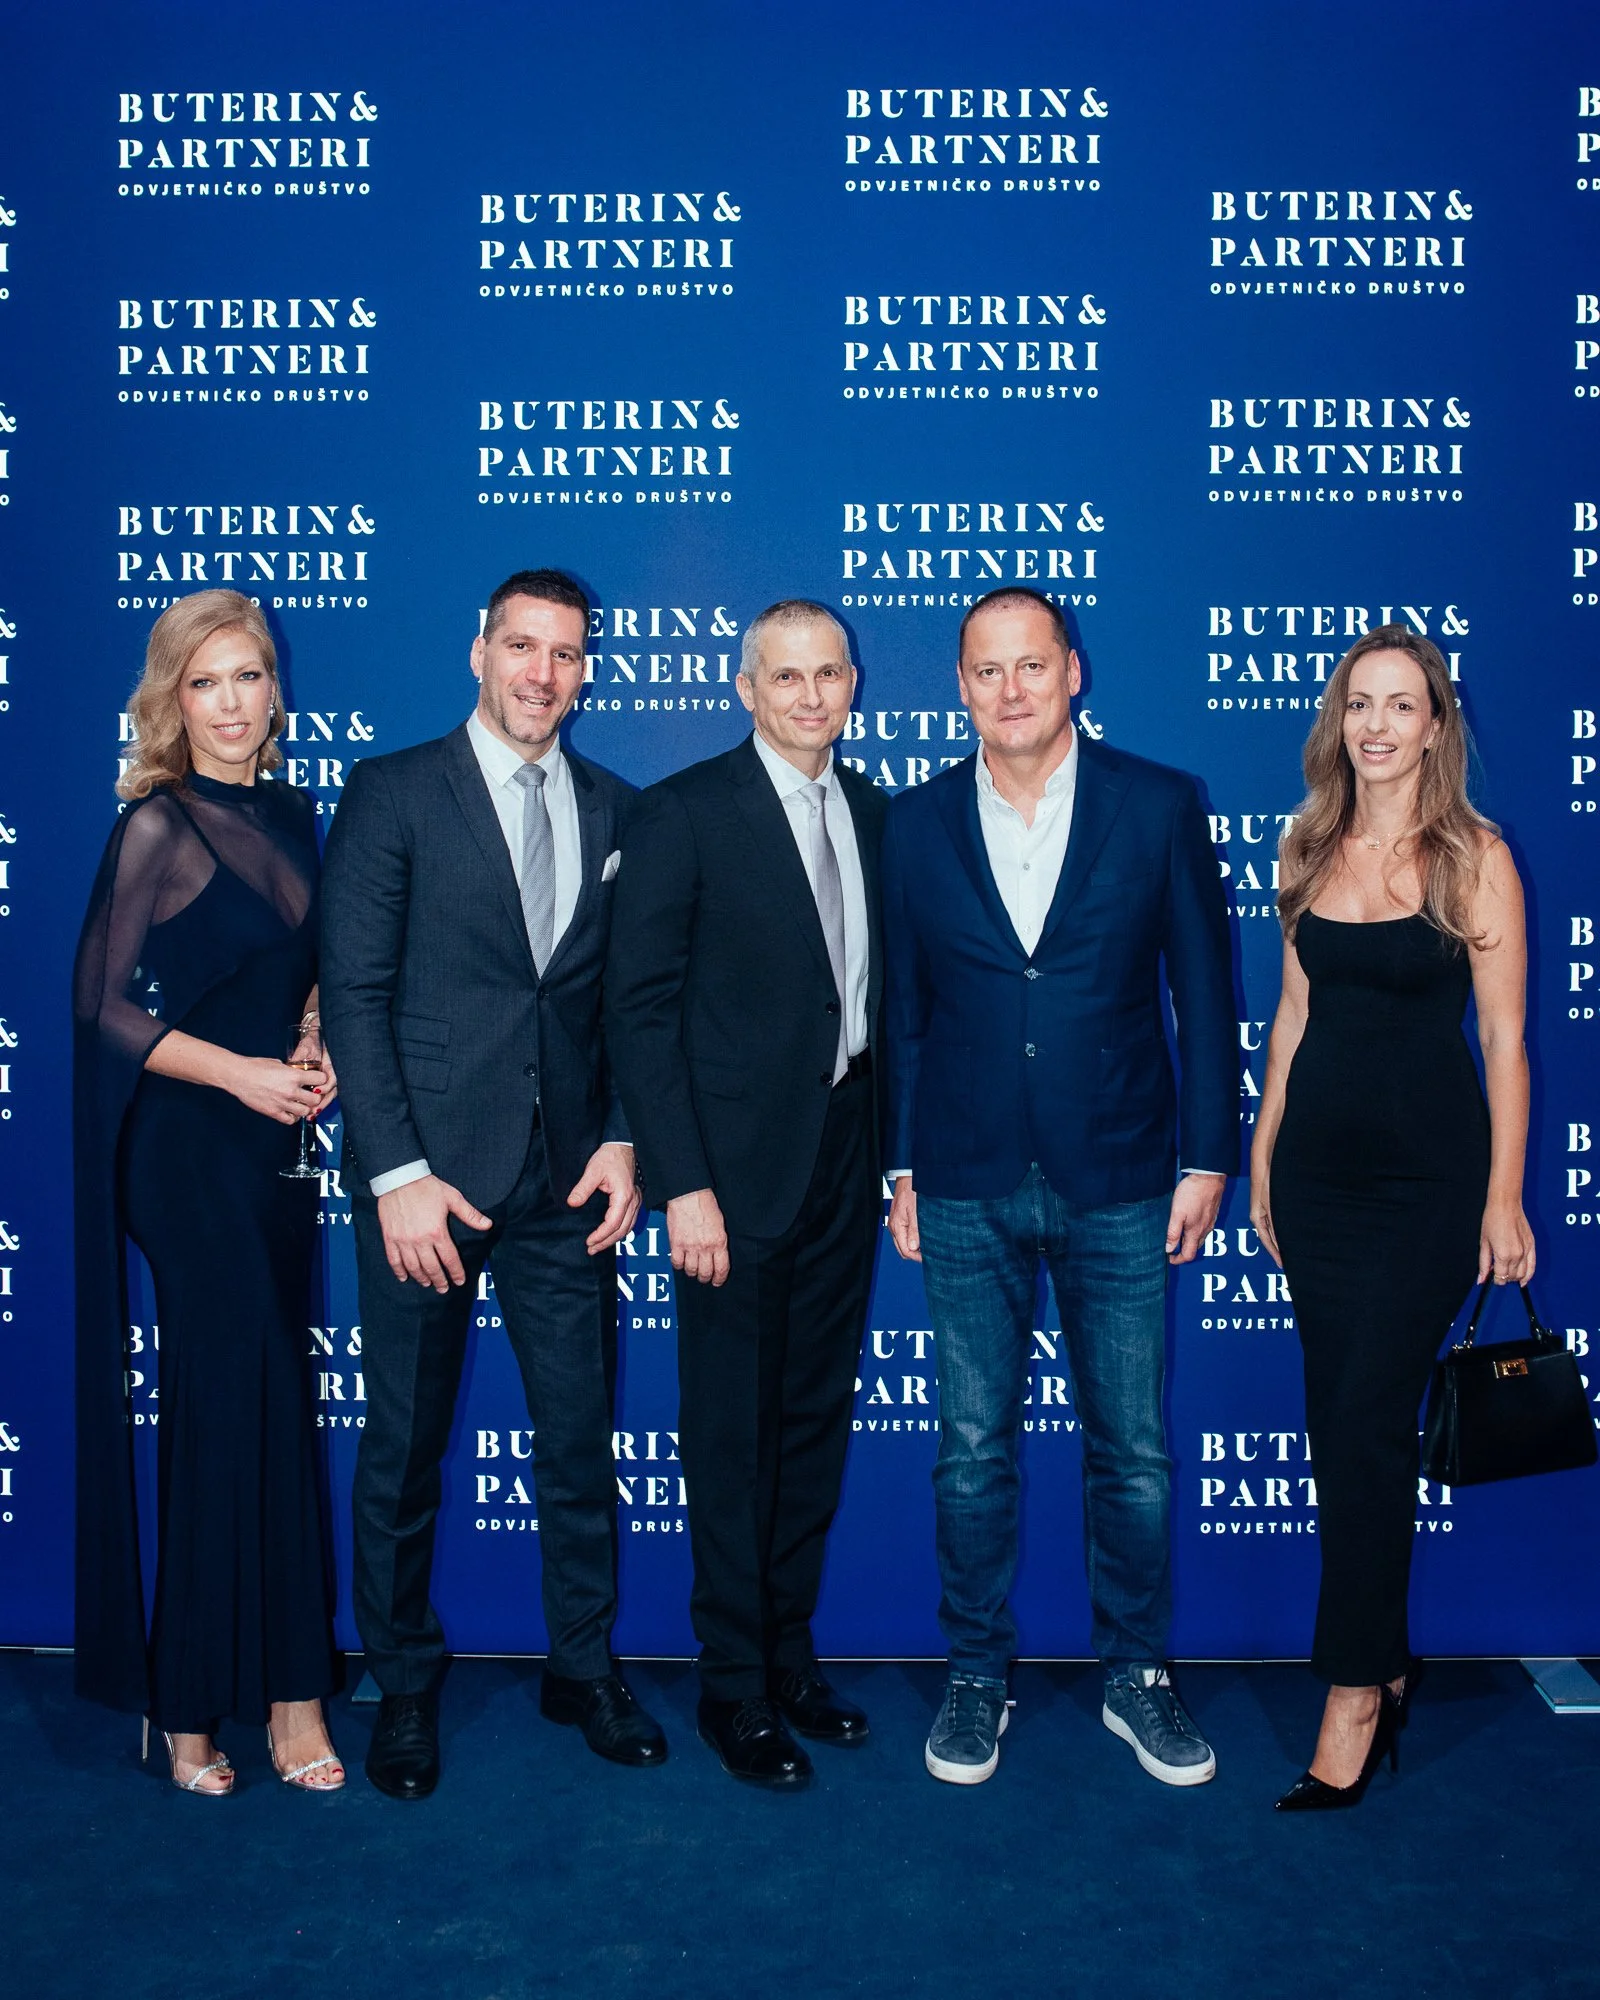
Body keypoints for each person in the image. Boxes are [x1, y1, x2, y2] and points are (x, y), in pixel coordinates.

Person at [884, 587, 1237, 1788]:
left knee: (1130, 1450)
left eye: (1030, 665)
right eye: (986, 670)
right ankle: (974, 1673)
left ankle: (1136, 1674)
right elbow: (902, 1010)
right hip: (964, 1175)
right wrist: (903, 1165)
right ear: (960, 685)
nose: (1010, 689)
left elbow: (1203, 989)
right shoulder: (915, 821)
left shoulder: (1158, 801)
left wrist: (1206, 1155)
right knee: (969, 1449)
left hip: (1122, 1173)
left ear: (1072, 672)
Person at [320, 567, 662, 1801]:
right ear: (480, 651)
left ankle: (584, 1666)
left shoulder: (617, 807)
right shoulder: (393, 790)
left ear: (587, 670)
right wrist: (397, 1172)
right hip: (427, 1185)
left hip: (564, 1188)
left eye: (564, 653)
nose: (541, 673)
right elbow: (355, 994)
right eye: (522, 646)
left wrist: (621, 1136)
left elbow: (625, 1003)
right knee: (404, 1445)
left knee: (576, 1441)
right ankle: (404, 1683)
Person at [604, 600, 886, 1790]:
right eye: (786, 676)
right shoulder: (684, 811)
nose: (810, 695)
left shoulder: (872, 808)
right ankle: (732, 1686)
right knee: (730, 1433)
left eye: (828, 674)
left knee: (812, 1421)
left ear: (853, 683)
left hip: (845, 1155)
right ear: (745, 687)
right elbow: (637, 1011)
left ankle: (788, 1656)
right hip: (727, 1175)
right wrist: (683, 1185)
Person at [1251, 624, 1533, 1811]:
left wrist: (1502, 1195)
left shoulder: (1474, 855)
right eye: (1358, 703)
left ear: (1433, 726)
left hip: (1428, 1185)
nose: (1375, 724)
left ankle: (1355, 1692)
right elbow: (1290, 1019)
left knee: (1365, 1422)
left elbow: (1504, 1039)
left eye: (1400, 704)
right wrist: (1261, 1158)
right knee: (1340, 1426)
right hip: (1316, 1180)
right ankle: (1385, 1657)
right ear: (1339, 720)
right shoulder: (1305, 844)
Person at [73, 589, 343, 1795]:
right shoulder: (157, 824)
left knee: (274, 1403)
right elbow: (100, 1005)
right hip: (185, 1153)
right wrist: (238, 1070)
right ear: (172, 700)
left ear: (273, 689)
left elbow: (298, 970)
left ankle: (288, 1690)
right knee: (231, 1401)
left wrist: (314, 1034)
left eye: (248, 676)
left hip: (273, 1153)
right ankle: (192, 1704)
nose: (231, 703)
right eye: (205, 682)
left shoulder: (294, 811)